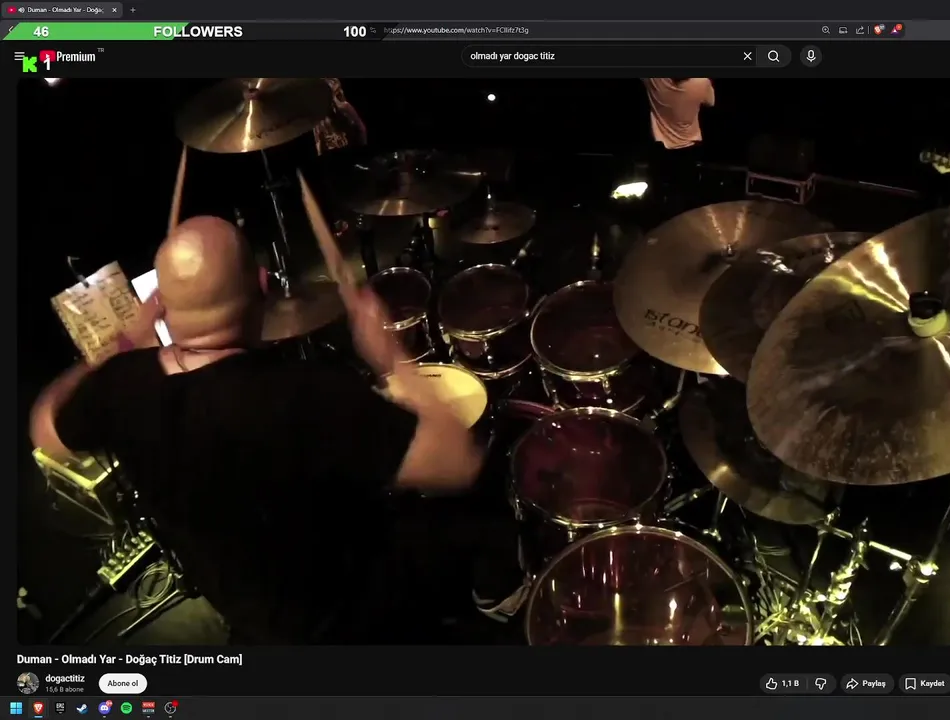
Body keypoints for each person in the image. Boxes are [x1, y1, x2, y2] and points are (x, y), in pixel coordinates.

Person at [28, 216, 522, 644]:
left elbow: (45, 427)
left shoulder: (121, 386)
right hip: (351, 615)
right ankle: (498, 603)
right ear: (263, 287)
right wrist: (390, 356)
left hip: (249, 618)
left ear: (162, 306)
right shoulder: (306, 394)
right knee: (480, 496)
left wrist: (125, 345)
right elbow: (457, 464)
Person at [641, 78, 715, 215]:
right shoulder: (701, 81)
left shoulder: (656, 79)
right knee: (686, 200)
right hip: (689, 149)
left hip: (660, 149)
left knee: (659, 197)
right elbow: (710, 102)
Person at [314, 78, 368, 156]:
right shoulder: (317, 117)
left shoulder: (344, 107)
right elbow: (318, 141)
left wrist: (363, 149)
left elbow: (360, 128)